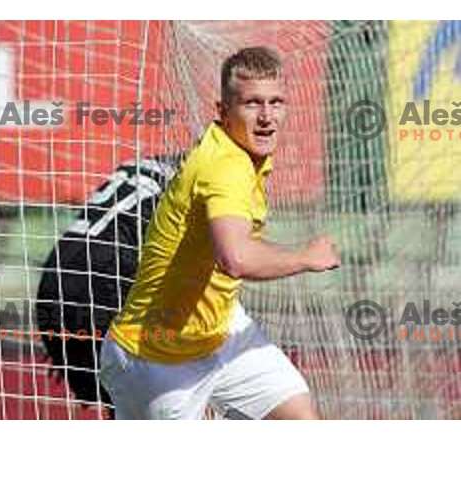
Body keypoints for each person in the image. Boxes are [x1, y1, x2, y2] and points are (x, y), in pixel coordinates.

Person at [100, 46, 341, 420]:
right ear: (223, 111)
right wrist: (307, 257)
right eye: (252, 104)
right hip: (156, 358)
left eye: (276, 102)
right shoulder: (225, 166)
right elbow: (236, 258)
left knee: (300, 419)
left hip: (223, 329)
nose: (266, 117)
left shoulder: (242, 151)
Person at [36, 157, 176, 418]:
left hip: (54, 280)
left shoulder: (139, 163)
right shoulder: (204, 181)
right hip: (103, 283)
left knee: (120, 400)